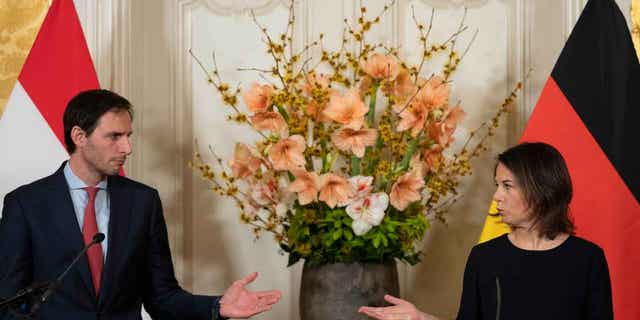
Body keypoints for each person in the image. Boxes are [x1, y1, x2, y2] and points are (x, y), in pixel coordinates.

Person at [0, 89, 282, 320]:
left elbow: (162, 297)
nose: (127, 148)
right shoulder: (25, 205)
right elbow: (9, 304)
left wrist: (218, 307)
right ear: (79, 137)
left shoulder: (142, 201)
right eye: (114, 137)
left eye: (128, 136)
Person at [359, 142, 613, 320]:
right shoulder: (485, 257)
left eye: (507, 186)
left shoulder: (588, 259)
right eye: (497, 185)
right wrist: (421, 318)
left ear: (540, 188)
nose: (497, 196)